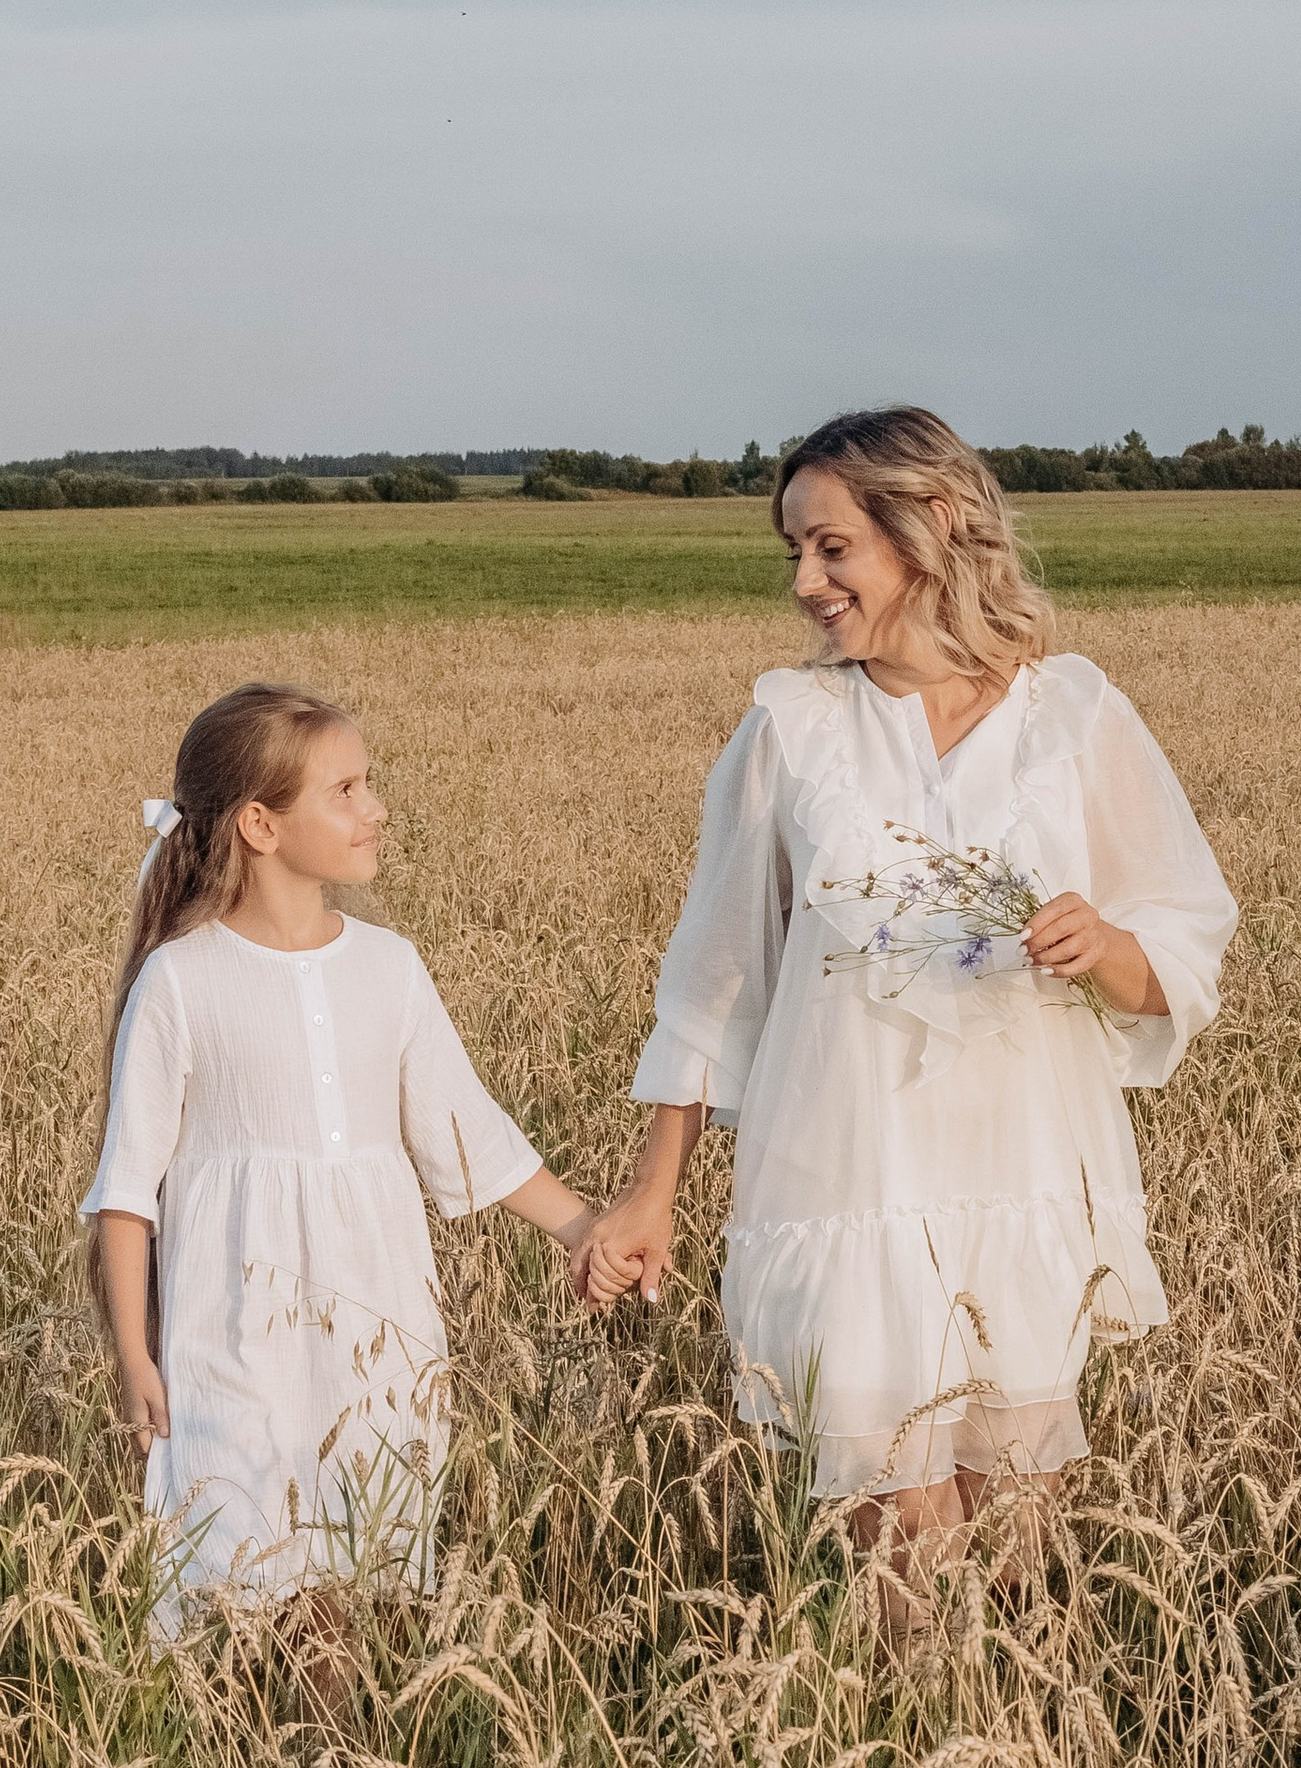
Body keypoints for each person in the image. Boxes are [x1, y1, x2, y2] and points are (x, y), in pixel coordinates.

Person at [580, 406, 1236, 1622]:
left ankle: (1002, 1744)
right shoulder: (791, 730)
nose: (804, 582)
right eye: (794, 551)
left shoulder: (1073, 717)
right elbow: (715, 981)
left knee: (1014, 1567)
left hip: (1018, 1170)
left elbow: (1183, 956)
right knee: (897, 1565)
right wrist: (650, 1193)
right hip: (849, 1174)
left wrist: (1105, 948)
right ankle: (899, 1731)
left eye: (831, 547)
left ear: (930, 525)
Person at [84, 681, 597, 1622]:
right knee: (245, 1586)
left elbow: (466, 1131)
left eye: (369, 784)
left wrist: (582, 1230)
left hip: (379, 1328)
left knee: (366, 1582)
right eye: (347, 790)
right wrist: (133, 1354)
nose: (377, 808)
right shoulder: (182, 980)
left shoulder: (389, 966)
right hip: (233, 1336)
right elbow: (128, 1187)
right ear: (261, 825)